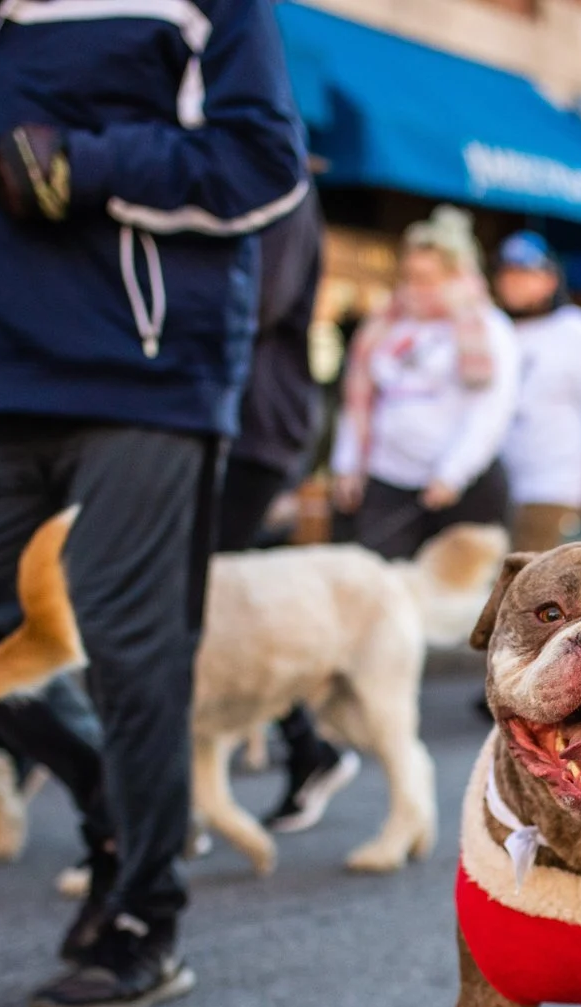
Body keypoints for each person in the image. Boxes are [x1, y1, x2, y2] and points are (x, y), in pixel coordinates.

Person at [0, 0, 311, 1007]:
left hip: (147, 371)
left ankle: (144, 915)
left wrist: (91, 165)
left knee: (135, 646)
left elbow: (262, 164)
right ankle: (108, 802)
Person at [211, 189, 358, 834]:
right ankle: (307, 748)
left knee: (192, 607)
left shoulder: (277, 195)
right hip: (223, 430)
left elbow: (256, 304)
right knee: (216, 609)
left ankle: (305, 747)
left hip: (251, 434)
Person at [329, 207, 518, 561]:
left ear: (457, 274)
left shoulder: (489, 328)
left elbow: (491, 411)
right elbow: (360, 401)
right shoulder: (386, 324)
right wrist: (347, 466)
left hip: (456, 489)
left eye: (427, 278)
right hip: (388, 480)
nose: (415, 288)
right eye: (409, 276)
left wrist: (452, 475)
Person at [494, 229, 581, 553]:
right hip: (495, 485)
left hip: (553, 485)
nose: (513, 282)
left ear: (550, 279)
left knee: (532, 581)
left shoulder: (576, 329)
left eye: (525, 273)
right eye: (507, 273)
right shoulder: (495, 329)